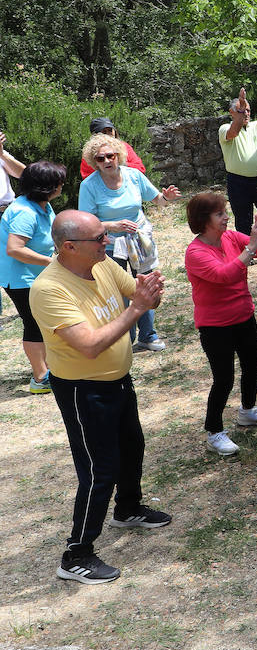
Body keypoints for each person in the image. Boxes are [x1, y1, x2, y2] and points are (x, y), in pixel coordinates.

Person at [31, 210, 170, 584]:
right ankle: (76, 554)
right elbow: (90, 345)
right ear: (70, 246)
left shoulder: (103, 263)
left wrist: (148, 295)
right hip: (83, 390)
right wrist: (138, 307)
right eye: (98, 238)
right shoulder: (48, 289)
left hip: (119, 380)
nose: (106, 242)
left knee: (132, 447)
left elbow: (140, 298)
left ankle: (127, 509)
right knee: (98, 471)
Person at [184, 193, 257, 456]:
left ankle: (247, 411)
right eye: (219, 213)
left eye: (225, 211)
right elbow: (226, 275)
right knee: (223, 379)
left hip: (244, 315)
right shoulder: (196, 253)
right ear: (204, 220)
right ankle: (214, 432)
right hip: (215, 326)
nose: (226, 217)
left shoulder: (231, 237)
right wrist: (253, 244)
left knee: (253, 364)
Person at [77, 132, 180, 352]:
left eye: (110, 156)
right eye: (100, 158)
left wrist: (167, 198)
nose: (106, 161)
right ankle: (124, 339)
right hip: (110, 245)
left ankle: (148, 335)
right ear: (93, 161)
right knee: (119, 292)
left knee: (147, 285)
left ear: (119, 155)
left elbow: (157, 199)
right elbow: (86, 223)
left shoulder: (133, 175)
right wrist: (112, 226)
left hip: (139, 240)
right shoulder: (89, 185)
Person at [0, 160, 65, 393]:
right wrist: (53, 262)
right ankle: (40, 379)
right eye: (59, 182)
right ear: (47, 187)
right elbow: (15, 249)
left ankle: (48, 368)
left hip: (35, 275)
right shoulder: (24, 212)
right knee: (34, 323)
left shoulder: (42, 205)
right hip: (21, 278)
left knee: (42, 321)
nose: (62, 185)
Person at [219, 86, 257, 252]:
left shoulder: (255, 126)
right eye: (241, 110)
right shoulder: (224, 128)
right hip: (238, 182)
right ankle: (247, 253)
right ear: (232, 113)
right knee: (243, 221)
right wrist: (240, 108)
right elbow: (233, 131)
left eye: (247, 110)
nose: (245, 113)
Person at [78, 118, 145, 179]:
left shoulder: (125, 147)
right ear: (96, 135)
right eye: (104, 132)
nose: (108, 134)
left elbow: (140, 169)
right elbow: (86, 176)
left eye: (110, 130)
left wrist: (119, 165)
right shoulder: (90, 153)